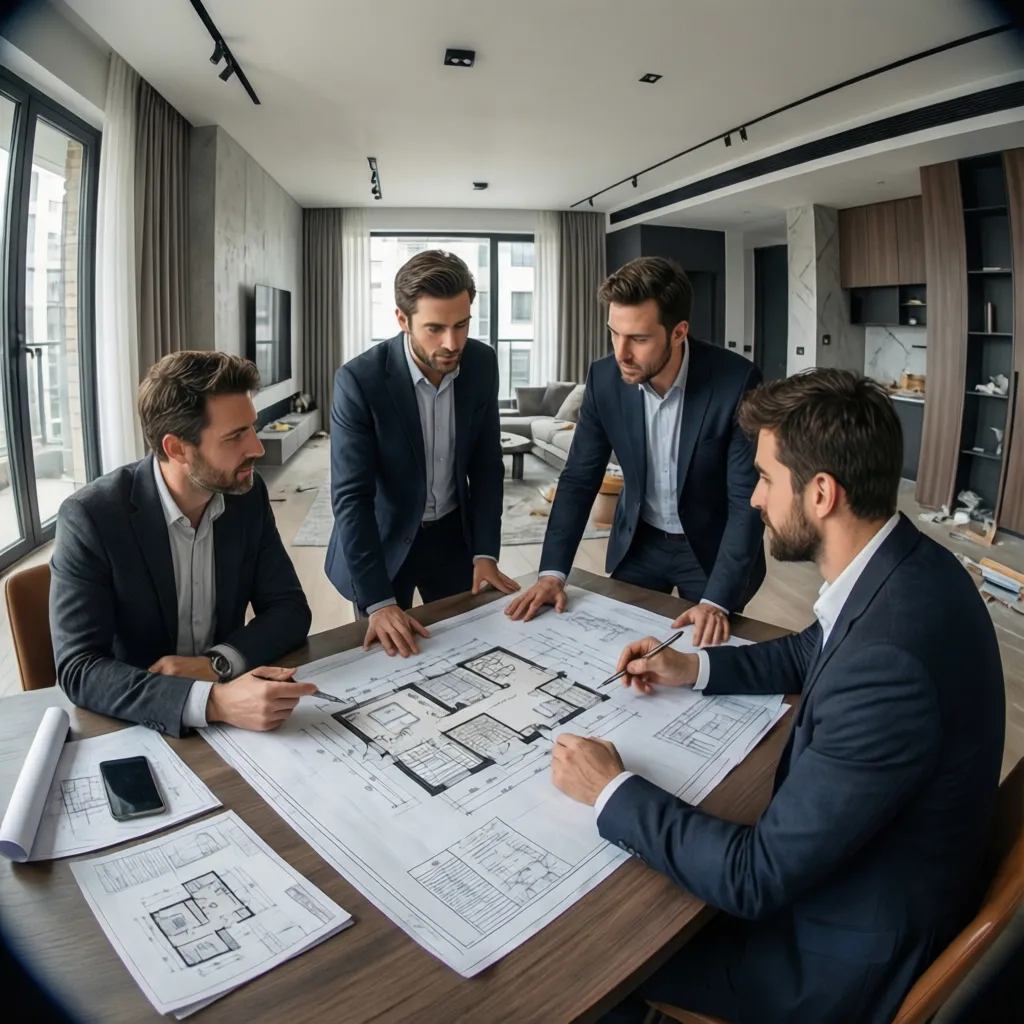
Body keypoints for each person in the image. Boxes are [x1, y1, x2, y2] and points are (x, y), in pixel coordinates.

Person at [550, 369, 1006, 1024]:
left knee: (593, 950)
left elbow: (755, 877)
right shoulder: (907, 566)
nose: (756, 501)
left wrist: (607, 788)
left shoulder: (889, 669)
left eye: (765, 478)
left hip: (829, 967)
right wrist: (691, 667)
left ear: (821, 493)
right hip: (869, 887)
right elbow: (808, 649)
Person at [50, 352, 315, 738]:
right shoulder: (92, 517)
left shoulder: (247, 495)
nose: (257, 448)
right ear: (176, 449)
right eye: (235, 436)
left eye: (251, 428)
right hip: (138, 724)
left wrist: (216, 665)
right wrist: (211, 701)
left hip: (239, 716)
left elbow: (290, 609)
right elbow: (80, 668)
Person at [506, 257, 764, 646]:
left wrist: (716, 600)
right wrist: (552, 574)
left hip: (712, 550)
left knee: (701, 658)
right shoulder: (604, 378)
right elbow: (578, 480)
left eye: (638, 339)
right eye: (614, 334)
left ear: (679, 332)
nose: (621, 353)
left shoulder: (737, 380)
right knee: (617, 648)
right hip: (639, 544)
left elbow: (747, 500)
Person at [326, 249, 518, 657]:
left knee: (463, 649)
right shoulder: (359, 381)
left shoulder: (482, 363)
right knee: (387, 659)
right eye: (434, 328)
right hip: (383, 543)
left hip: (452, 538)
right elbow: (351, 499)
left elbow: (486, 466)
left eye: (462, 325)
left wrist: (485, 552)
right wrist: (378, 603)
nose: (452, 343)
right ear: (402, 319)